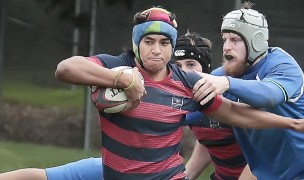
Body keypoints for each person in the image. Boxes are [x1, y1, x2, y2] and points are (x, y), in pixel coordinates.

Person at [2, 6, 304, 180]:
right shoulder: (130, 69)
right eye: (149, 42)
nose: (156, 50)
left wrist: (287, 122)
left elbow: (253, 106)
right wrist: (120, 82)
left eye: (164, 43)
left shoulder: (209, 84)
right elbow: (67, 68)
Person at [192, 2, 304, 179]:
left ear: (256, 41)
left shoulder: (282, 65)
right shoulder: (223, 76)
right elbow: (191, 112)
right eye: (225, 39)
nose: (226, 47)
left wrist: (227, 83)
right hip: (264, 174)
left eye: (235, 40)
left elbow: (268, 95)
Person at [172, 31, 247, 180]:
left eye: (191, 64)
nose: (184, 73)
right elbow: (209, 137)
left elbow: (265, 156)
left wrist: (293, 124)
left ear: (206, 71)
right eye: (177, 66)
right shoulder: (183, 104)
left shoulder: (229, 95)